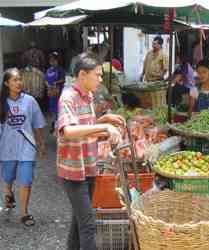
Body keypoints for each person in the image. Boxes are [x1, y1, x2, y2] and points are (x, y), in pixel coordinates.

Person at [57, 53, 125, 250]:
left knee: (79, 222)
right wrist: (103, 129)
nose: (101, 79)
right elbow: (68, 130)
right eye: (97, 75)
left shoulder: (88, 96)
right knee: (88, 225)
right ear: (82, 74)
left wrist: (105, 120)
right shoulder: (68, 97)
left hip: (88, 167)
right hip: (73, 172)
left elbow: (84, 126)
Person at [0, 68, 46, 226]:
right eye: (14, 80)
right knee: (8, 177)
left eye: (20, 79)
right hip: (6, 148)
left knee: (26, 180)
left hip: (27, 147)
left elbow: (38, 124)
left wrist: (41, 144)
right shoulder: (1, 102)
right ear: (7, 83)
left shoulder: (30, 101)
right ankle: (8, 192)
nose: (18, 83)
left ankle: (24, 213)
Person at [45, 52, 65, 132]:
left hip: (58, 93)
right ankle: (54, 124)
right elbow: (45, 79)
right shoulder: (49, 70)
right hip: (51, 93)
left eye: (54, 60)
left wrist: (55, 83)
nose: (52, 62)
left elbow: (63, 79)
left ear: (57, 61)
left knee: (59, 109)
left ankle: (58, 125)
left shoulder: (60, 70)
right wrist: (47, 85)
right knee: (53, 110)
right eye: (51, 61)